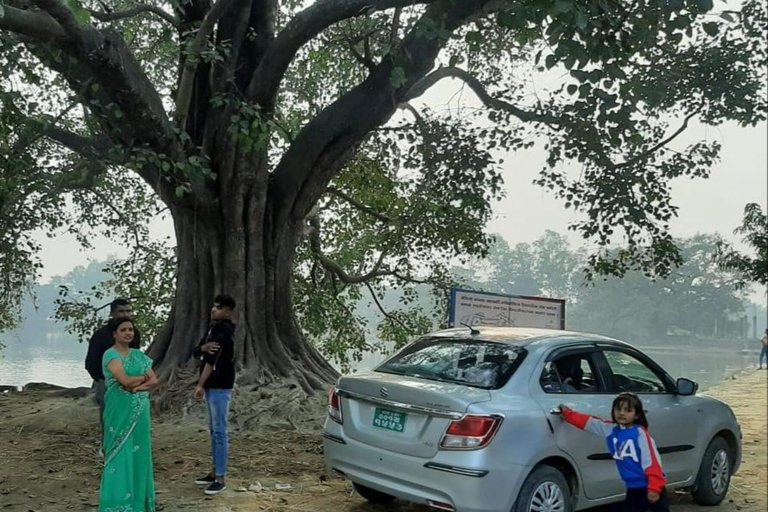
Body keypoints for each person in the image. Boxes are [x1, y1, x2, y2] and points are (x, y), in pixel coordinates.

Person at [557, 393, 669, 512]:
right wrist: (567, 413)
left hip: (651, 486)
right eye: (618, 409)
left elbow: (652, 462)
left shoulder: (640, 434)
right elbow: (589, 422)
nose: (621, 413)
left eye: (628, 410)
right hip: (633, 489)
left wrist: (654, 488)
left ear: (636, 415)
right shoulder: (610, 429)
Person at [98, 317, 158, 512]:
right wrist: (142, 379)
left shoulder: (139, 355)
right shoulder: (110, 355)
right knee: (118, 454)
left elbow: (155, 381)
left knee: (139, 453)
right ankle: (115, 505)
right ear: (115, 334)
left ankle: (138, 504)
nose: (128, 333)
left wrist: (136, 386)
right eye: (123, 329)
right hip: (119, 411)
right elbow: (124, 380)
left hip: (140, 412)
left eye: (130, 329)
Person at [192, 294, 237, 496]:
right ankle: (213, 471)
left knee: (220, 431)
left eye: (218, 307)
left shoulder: (225, 331)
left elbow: (211, 359)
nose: (213, 309)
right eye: (213, 305)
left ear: (227, 311)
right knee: (213, 430)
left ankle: (221, 477)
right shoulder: (212, 329)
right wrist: (202, 347)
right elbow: (197, 351)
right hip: (211, 385)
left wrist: (200, 384)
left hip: (220, 385)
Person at [85, 298, 142, 439]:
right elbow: (91, 363)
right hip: (107, 383)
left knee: (128, 415)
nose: (125, 314)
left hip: (128, 383)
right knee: (109, 417)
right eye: (121, 311)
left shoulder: (134, 334)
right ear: (112, 314)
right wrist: (104, 379)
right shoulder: (100, 335)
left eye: (128, 311)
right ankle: (108, 448)